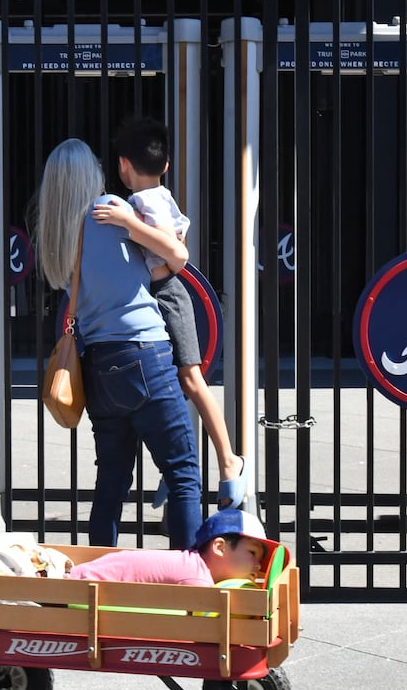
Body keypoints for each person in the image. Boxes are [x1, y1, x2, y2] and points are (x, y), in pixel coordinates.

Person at [35, 138, 203, 549]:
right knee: (183, 472)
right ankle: (190, 584)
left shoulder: (56, 231)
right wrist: (134, 223)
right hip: (144, 352)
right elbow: (177, 256)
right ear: (87, 175)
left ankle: (100, 584)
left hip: (97, 363)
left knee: (110, 482)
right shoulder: (108, 210)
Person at [91, 116, 251, 510]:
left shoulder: (141, 204)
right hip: (156, 293)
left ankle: (230, 461)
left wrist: (129, 223)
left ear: (123, 164)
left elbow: (176, 255)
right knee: (175, 383)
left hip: (165, 294)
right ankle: (176, 468)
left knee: (191, 379)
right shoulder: (159, 197)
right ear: (165, 166)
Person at [68, 509, 279, 586]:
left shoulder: (194, 564)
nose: (258, 565)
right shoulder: (197, 579)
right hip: (83, 585)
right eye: (252, 553)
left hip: (86, 577)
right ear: (220, 548)